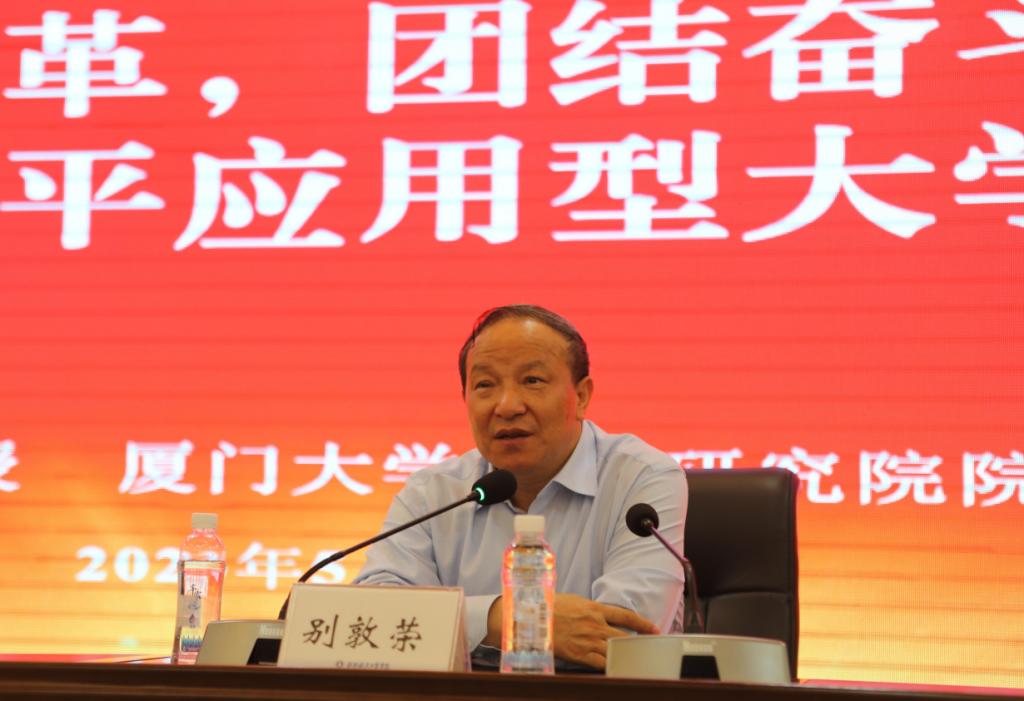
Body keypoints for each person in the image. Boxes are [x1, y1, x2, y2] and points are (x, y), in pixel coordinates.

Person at [354, 304, 687, 670]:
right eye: (485, 385)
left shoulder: (642, 477)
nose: (507, 406)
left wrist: (450, 626)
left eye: (532, 381)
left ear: (581, 396)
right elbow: (371, 620)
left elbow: (626, 637)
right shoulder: (433, 493)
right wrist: (506, 618)